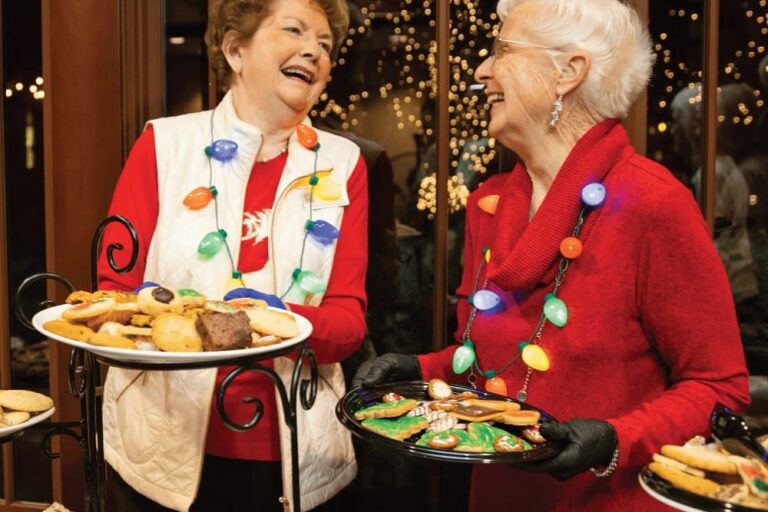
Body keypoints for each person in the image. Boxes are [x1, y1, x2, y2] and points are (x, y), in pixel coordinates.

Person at [353, 0, 750, 510]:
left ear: (568, 72)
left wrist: (614, 438)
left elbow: (720, 388)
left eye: (502, 51)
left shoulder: (654, 204)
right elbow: (493, 363)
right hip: (497, 497)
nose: (482, 71)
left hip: (604, 500)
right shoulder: (486, 204)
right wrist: (421, 367)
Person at [98, 0, 368, 510]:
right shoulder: (164, 145)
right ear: (235, 50)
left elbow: (348, 325)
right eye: (294, 30)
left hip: (297, 457)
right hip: (162, 450)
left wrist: (276, 319)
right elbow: (113, 298)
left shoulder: (344, 163)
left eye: (326, 44)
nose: (314, 50)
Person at [671, 83, 760, 311]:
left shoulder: (712, 173)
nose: (673, 130)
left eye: (676, 120)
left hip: (731, 286)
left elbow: (715, 239)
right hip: (738, 281)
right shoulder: (720, 167)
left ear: (693, 127)